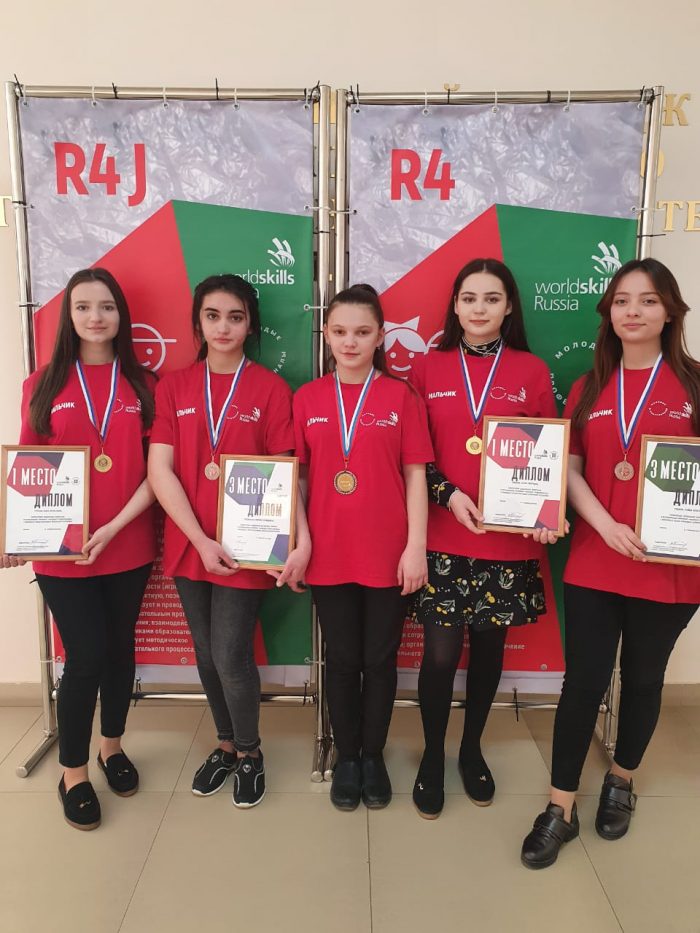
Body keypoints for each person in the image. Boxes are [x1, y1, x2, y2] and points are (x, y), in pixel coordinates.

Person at [521, 258, 700, 869]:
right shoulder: (589, 387)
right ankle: (560, 806)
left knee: (644, 679)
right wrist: (606, 526)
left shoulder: (694, 385)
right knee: (583, 682)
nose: (633, 311)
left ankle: (622, 778)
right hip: (597, 559)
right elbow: (568, 470)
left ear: (669, 311)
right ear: (609, 312)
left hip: (670, 568)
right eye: (622, 300)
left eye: (647, 300)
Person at [2, 267, 157, 830]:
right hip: (62, 550)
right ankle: (72, 770)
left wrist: (114, 527)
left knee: (119, 650)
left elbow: (158, 473)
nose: (96, 317)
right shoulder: (42, 383)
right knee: (86, 655)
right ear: (68, 317)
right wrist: (15, 532)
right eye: (83, 307)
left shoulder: (144, 384)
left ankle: (111, 746)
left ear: (121, 315)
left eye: (107, 306)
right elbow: (29, 466)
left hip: (128, 541)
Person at [148, 274, 309, 809]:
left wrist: (291, 540)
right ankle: (225, 744)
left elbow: (285, 474)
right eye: (212, 316)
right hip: (191, 541)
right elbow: (160, 470)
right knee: (204, 653)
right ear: (198, 322)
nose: (223, 327)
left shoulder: (271, 389)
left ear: (250, 325)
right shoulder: (174, 387)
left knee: (230, 654)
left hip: (248, 546)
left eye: (235, 317)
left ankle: (250, 752)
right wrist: (199, 539)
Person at [409, 258, 560, 819]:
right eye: (469, 298)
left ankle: (471, 749)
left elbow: (547, 456)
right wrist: (449, 494)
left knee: (489, 650)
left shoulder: (532, 370)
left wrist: (544, 511)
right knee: (440, 655)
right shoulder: (428, 367)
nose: (479, 308)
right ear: (454, 305)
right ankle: (432, 754)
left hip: (507, 540)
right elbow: (412, 454)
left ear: (509, 306)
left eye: (491, 298)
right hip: (443, 534)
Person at [293, 284, 433, 811]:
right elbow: (297, 480)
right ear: (326, 335)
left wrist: (415, 547)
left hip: (387, 553)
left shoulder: (401, 397)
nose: (349, 342)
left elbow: (415, 476)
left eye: (362, 332)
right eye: (339, 331)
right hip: (327, 553)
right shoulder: (307, 398)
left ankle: (373, 755)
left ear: (380, 337)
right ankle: (346, 755)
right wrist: (300, 541)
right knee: (342, 658)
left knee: (379, 659)